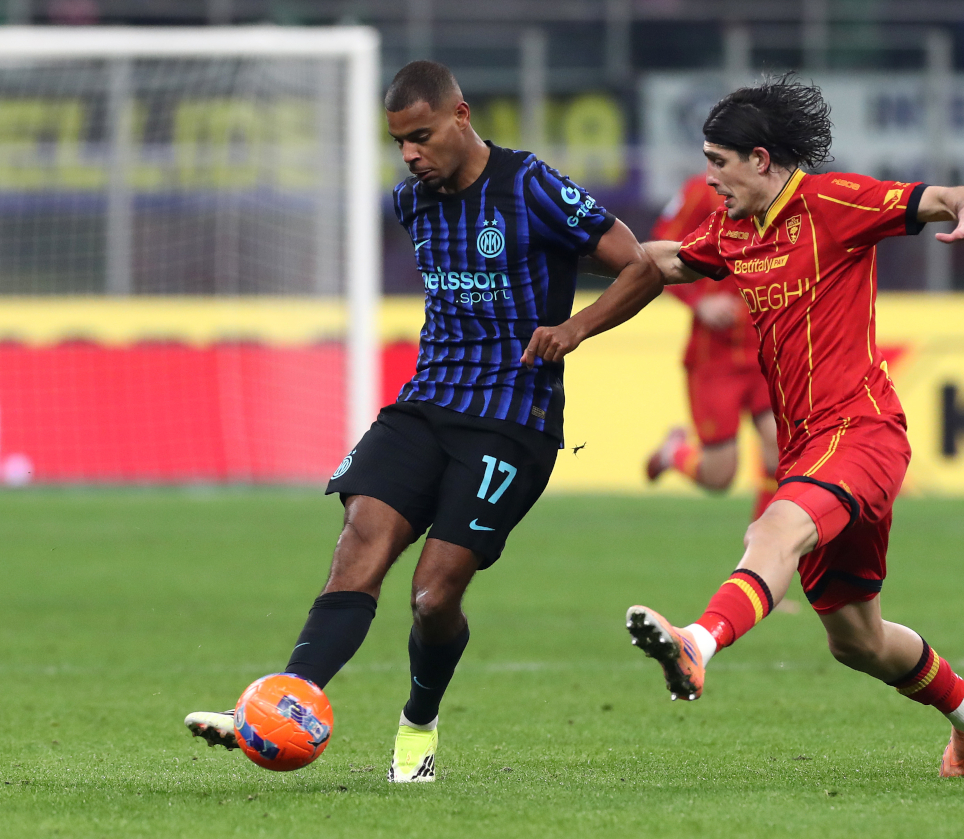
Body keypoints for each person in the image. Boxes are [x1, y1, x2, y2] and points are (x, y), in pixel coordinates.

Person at [521, 75, 964, 777]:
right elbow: (660, 262)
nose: (708, 178)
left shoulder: (836, 201)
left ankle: (697, 641)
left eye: (717, 163)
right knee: (856, 639)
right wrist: (575, 325)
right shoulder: (733, 228)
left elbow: (938, 197)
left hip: (861, 429)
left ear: (760, 159)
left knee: (771, 529)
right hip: (807, 447)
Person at [184, 60, 660, 783]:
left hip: (511, 419)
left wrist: (576, 327)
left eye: (422, 136)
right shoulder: (414, 203)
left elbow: (639, 266)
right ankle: (282, 702)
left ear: (461, 116)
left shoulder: (531, 186)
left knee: (434, 596)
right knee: (358, 544)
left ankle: (418, 720)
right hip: (425, 404)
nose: (410, 154)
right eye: (399, 142)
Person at [644, 174, 779, 520]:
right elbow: (656, 252)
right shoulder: (698, 192)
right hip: (714, 358)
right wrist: (699, 302)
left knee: (780, 453)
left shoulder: (783, 190)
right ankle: (675, 453)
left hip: (766, 349)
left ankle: (764, 543)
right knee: (721, 476)